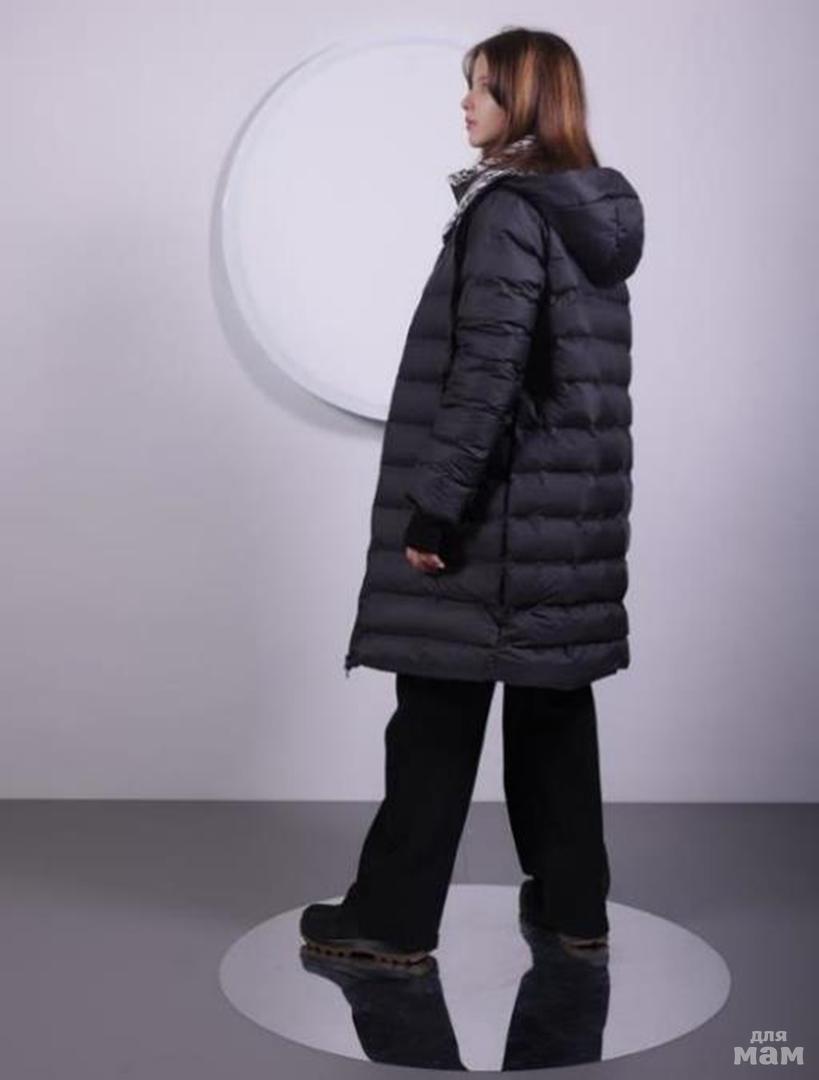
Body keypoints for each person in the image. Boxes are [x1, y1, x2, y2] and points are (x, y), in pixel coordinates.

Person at [301, 26, 645, 966]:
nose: (465, 103)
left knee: (436, 715)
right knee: (552, 707)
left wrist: (438, 509)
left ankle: (389, 921)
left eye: (484, 89)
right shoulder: (586, 211)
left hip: (495, 522)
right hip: (567, 524)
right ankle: (573, 909)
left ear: (524, 103)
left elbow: (486, 373)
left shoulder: (508, 211)